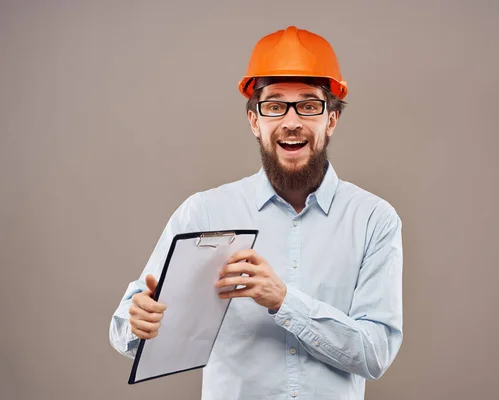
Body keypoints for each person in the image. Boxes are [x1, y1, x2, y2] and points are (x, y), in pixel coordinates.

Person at [109, 25, 403, 400]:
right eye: (275, 105)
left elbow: (376, 354)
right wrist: (137, 323)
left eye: (310, 105)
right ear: (254, 121)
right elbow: (126, 333)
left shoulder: (374, 219)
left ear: (331, 119)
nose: (292, 121)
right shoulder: (205, 212)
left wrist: (284, 301)